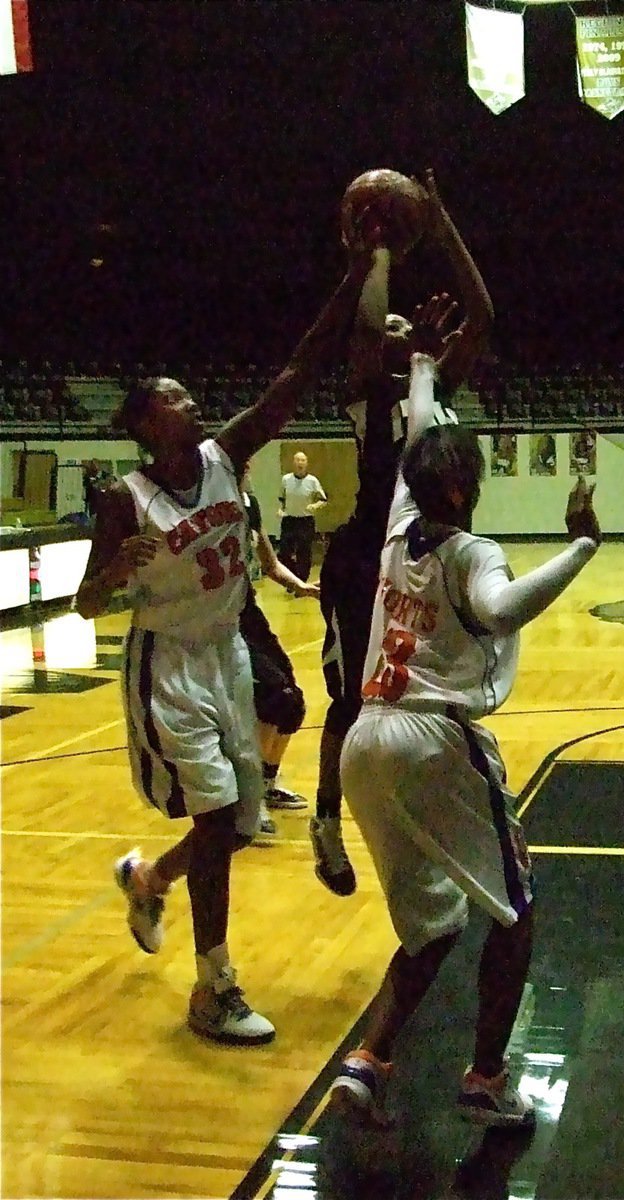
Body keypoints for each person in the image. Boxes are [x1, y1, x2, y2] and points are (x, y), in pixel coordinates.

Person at [75, 252, 370, 1045]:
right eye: (172, 398)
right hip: (166, 662)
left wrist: (351, 274)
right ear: (144, 424)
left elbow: (298, 369)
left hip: (227, 652)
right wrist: (115, 567)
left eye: (186, 392)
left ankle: (148, 880)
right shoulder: (123, 499)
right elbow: (84, 605)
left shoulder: (225, 456)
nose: (190, 400)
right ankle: (214, 988)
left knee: (238, 826)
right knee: (217, 819)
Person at [329, 344, 601, 1128]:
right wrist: (581, 546)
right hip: (432, 739)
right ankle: (484, 1080)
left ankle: (366, 1060)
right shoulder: (470, 549)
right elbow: (500, 610)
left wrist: (420, 368)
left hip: (365, 738)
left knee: (432, 922)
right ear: (458, 487)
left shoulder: (396, 523)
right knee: (515, 911)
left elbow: (417, 429)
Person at [310, 169, 493, 897]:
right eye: (384, 328)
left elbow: (482, 314)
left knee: (424, 694)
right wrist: (377, 254)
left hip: (428, 560)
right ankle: (326, 817)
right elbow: (364, 325)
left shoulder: (432, 387)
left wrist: (441, 225)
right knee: (354, 698)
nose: (390, 329)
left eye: (399, 331)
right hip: (366, 556)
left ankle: (424, 810)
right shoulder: (361, 386)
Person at [239, 470, 318, 830]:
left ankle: (267, 783)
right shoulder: (211, 508)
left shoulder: (249, 505)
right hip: (218, 622)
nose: (246, 472)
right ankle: (247, 799)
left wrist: (301, 586)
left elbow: (268, 563)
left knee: (292, 701)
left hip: (247, 612)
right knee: (272, 696)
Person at [278, 450, 328, 582]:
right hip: (289, 519)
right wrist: (280, 509)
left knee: (304, 553)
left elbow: (323, 499)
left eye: (303, 460)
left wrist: (315, 506)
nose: (300, 463)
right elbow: (282, 498)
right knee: (284, 553)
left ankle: (301, 580)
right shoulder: (286, 479)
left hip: (305, 520)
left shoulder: (312, 481)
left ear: (306, 464)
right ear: (293, 463)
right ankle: (292, 576)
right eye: (297, 460)